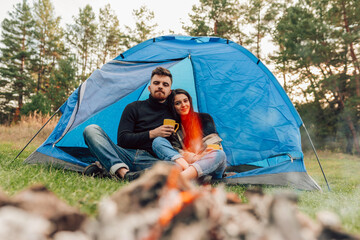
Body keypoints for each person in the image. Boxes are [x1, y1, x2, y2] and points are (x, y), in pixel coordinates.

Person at [83, 67, 189, 181]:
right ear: (150, 87)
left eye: (165, 84)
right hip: (125, 154)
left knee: (176, 167)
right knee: (91, 130)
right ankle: (124, 174)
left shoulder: (173, 113)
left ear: (170, 92)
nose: (160, 86)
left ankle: (108, 170)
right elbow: (123, 140)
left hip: (151, 160)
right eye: (156, 83)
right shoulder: (133, 107)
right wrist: (152, 133)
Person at [151, 89, 227, 181]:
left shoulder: (204, 118)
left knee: (220, 154)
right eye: (178, 103)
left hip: (207, 165)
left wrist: (199, 157)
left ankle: (181, 179)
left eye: (185, 101)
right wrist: (194, 158)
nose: (183, 105)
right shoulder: (172, 124)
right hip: (186, 165)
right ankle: (190, 175)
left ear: (190, 101)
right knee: (157, 141)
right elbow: (176, 152)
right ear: (172, 107)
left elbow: (213, 144)